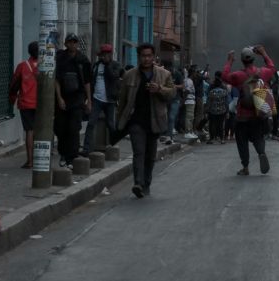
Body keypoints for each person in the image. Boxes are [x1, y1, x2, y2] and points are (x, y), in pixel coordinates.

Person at [115, 43, 174, 198]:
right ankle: (138, 183)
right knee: (138, 152)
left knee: (150, 155)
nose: (146, 59)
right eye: (143, 56)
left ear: (153, 57)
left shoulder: (164, 74)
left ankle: (147, 182)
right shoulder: (129, 75)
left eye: (149, 56)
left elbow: (172, 94)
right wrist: (119, 121)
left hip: (155, 121)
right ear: (139, 57)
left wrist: (159, 89)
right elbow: (122, 101)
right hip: (136, 121)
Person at [222, 46, 275, 176]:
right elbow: (272, 68)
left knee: (242, 141)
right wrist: (264, 53)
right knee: (258, 137)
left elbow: (224, 77)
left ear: (242, 60)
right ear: (253, 58)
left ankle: (245, 167)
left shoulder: (238, 75)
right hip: (258, 113)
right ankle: (261, 152)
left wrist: (229, 61)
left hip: (242, 116)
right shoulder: (263, 72)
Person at [54, 33, 91, 169]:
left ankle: (72, 157)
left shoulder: (83, 60)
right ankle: (63, 154)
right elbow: (56, 80)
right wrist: (59, 98)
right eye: (70, 42)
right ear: (65, 44)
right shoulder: (60, 58)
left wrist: (89, 101)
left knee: (74, 128)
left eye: (75, 42)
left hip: (77, 99)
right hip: (63, 98)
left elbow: (87, 82)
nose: (72, 44)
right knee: (60, 127)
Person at [82, 44, 122, 156]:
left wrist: (108, 64)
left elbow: (113, 77)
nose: (104, 57)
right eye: (102, 55)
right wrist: (88, 99)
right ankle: (86, 149)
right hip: (97, 99)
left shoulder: (115, 65)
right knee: (91, 123)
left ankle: (113, 146)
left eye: (106, 55)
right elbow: (91, 82)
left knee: (111, 124)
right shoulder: (96, 65)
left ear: (110, 54)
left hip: (110, 100)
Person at [9, 41, 39, 168]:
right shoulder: (45, 66)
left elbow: (14, 84)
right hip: (40, 104)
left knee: (29, 131)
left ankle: (30, 160)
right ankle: (41, 159)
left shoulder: (22, 66)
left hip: (25, 103)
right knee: (41, 130)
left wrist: (12, 99)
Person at [206, 73, 228, 144]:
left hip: (213, 111)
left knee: (212, 124)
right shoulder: (224, 91)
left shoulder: (211, 92)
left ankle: (212, 138)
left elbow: (208, 102)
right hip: (222, 110)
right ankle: (222, 139)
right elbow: (226, 102)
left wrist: (207, 111)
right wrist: (227, 111)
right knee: (221, 125)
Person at [182, 66, 198, 140]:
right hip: (189, 100)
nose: (196, 74)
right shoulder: (189, 81)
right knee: (189, 117)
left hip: (191, 100)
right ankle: (187, 132)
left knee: (191, 117)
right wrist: (183, 100)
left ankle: (190, 131)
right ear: (192, 73)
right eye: (195, 73)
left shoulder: (190, 80)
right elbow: (187, 91)